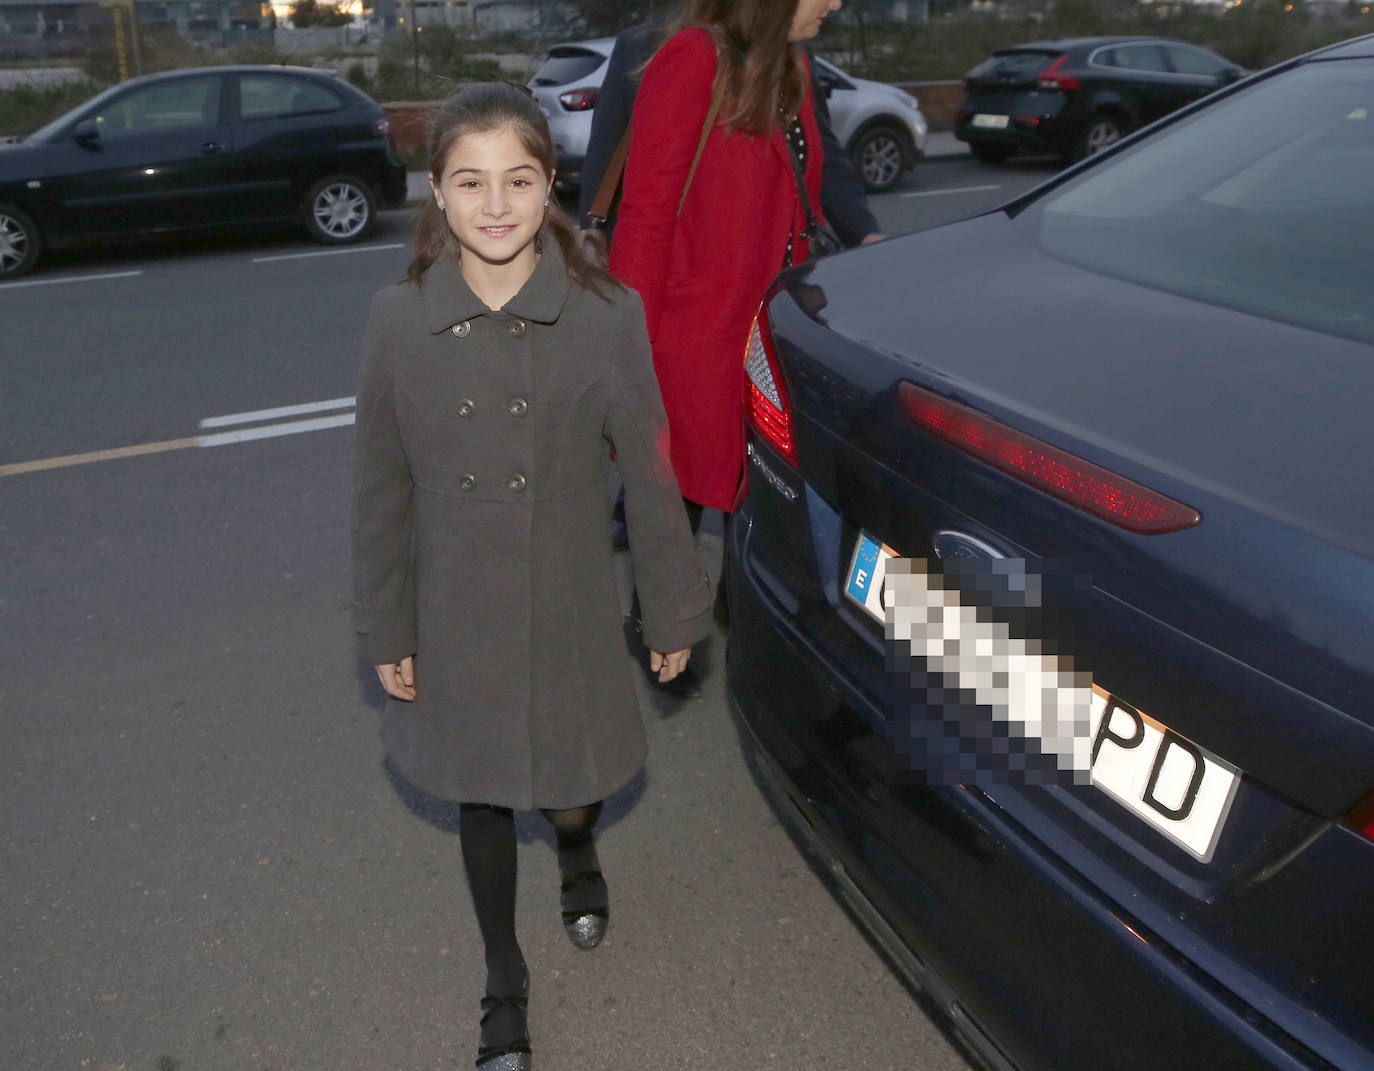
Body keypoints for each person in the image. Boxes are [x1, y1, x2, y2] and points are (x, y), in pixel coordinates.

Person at [351, 82, 712, 1071]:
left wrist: (671, 606)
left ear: (550, 183)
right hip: (454, 606)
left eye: (519, 178)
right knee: (478, 795)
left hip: (566, 605)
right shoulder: (398, 321)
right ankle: (502, 979)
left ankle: (580, 843)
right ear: (437, 192)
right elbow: (380, 490)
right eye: (470, 182)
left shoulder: (604, 318)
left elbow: (649, 475)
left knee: (567, 782)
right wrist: (388, 627)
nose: (497, 204)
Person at [609, 0, 844, 524]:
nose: (835, 3)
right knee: (675, 517)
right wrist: (630, 349)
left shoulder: (792, 64)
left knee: (762, 512)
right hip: (694, 340)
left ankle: (735, 605)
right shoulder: (694, 58)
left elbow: (802, 196)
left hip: (768, 338)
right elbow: (647, 215)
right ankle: (658, 609)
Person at [579, 13, 883, 248]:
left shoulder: (789, 55)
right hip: (673, 275)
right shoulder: (642, 46)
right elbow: (605, 167)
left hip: (773, 276)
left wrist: (864, 233)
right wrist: (592, 244)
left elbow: (823, 155)